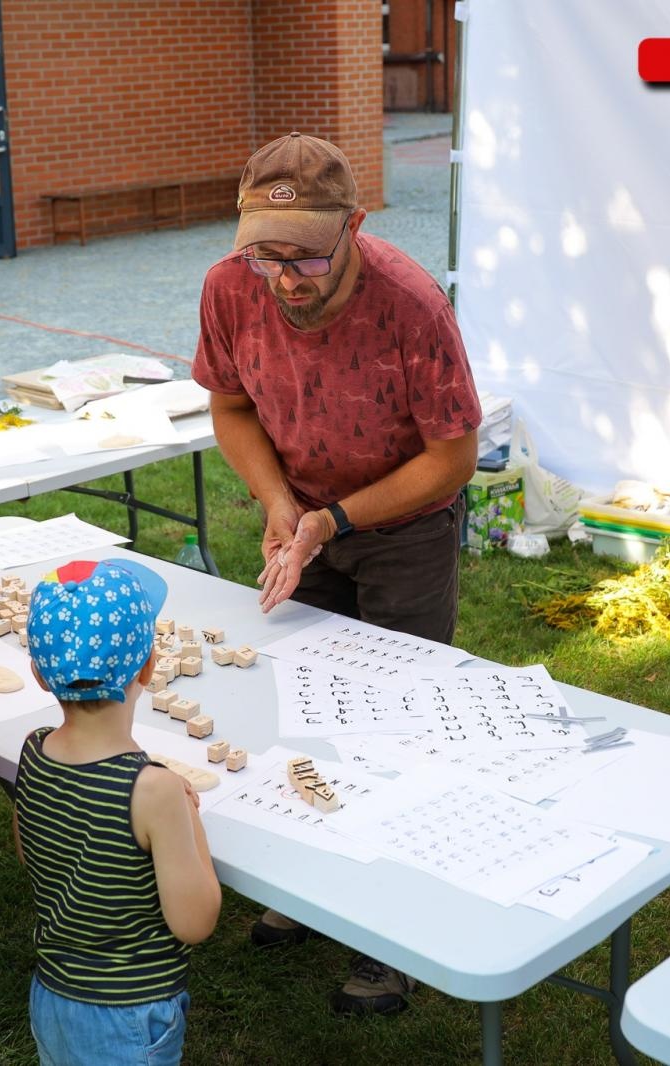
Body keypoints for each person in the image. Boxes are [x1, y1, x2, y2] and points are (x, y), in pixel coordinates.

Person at [192, 132, 483, 1015]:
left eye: (307, 256)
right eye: (264, 255)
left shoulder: (409, 304)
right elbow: (230, 405)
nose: (284, 278)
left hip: (404, 527)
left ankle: (388, 932)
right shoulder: (228, 287)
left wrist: (338, 519)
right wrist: (280, 500)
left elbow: (454, 458)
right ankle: (313, 887)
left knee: (396, 721)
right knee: (298, 706)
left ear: (355, 226)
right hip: (305, 512)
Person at [13, 559, 222, 1066]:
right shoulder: (153, 791)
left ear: (40, 673)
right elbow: (195, 921)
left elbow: (28, 852)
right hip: (128, 1016)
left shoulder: (34, 750)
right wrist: (185, 812)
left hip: (53, 996)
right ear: (148, 668)